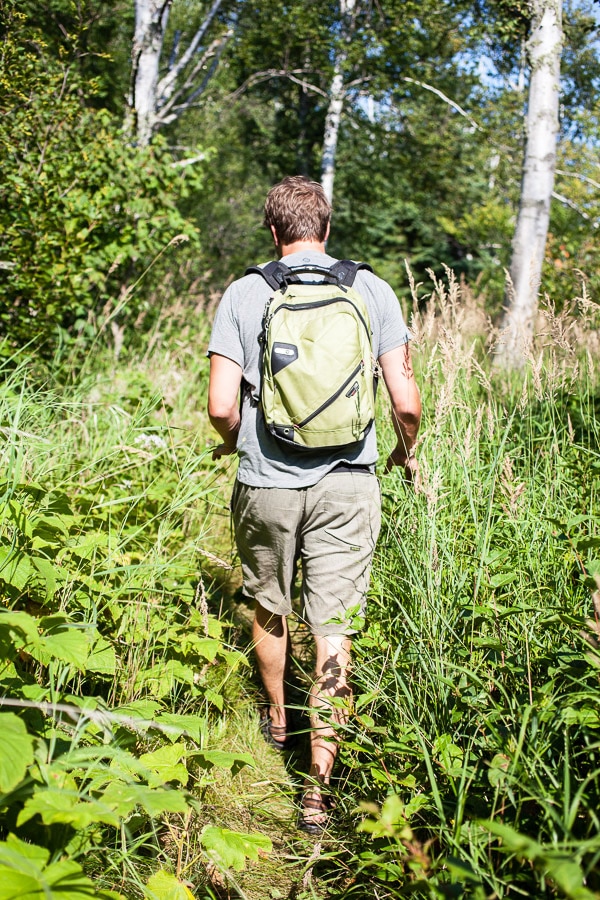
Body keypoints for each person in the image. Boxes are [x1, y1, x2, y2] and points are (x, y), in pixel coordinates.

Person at [207, 175, 421, 833]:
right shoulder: (371, 289)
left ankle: (276, 720)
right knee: (335, 628)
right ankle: (318, 790)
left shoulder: (246, 292)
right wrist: (404, 452)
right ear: (326, 229)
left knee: (269, 607)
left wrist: (239, 444)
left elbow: (220, 405)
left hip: (267, 482)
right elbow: (407, 401)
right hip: (350, 481)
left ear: (273, 232)